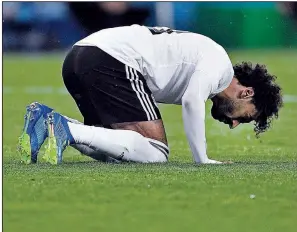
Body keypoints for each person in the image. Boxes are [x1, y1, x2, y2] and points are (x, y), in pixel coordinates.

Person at [17, 25, 283, 165]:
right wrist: (202, 160)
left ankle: (49, 120)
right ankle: (66, 130)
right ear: (247, 92)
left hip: (80, 55)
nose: (234, 124)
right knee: (156, 152)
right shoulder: (221, 69)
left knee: (115, 152)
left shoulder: (210, 63)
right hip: (110, 59)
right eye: (245, 118)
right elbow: (192, 101)